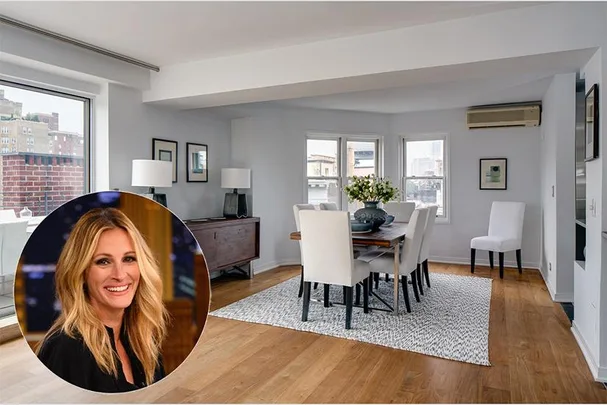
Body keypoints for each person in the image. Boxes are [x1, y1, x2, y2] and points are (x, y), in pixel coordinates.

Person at [35, 207, 169, 393]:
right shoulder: (66, 348)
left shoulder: (142, 339)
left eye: (129, 259)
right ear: (80, 272)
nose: (120, 275)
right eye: (103, 261)